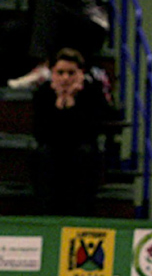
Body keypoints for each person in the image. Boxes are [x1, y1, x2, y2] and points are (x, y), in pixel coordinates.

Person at [7, 0, 108, 89]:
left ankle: (43, 67)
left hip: (89, 23)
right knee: (13, 30)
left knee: (48, 7)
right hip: (55, 20)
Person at [31, 47, 115, 216]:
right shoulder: (43, 93)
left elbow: (91, 130)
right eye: (60, 73)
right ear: (52, 73)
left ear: (81, 73)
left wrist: (71, 106)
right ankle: (46, 214)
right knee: (43, 154)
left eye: (71, 73)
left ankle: (81, 214)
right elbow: (41, 132)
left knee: (85, 154)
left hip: (81, 148)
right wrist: (57, 106)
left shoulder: (92, 91)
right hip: (53, 148)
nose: (65, 78)